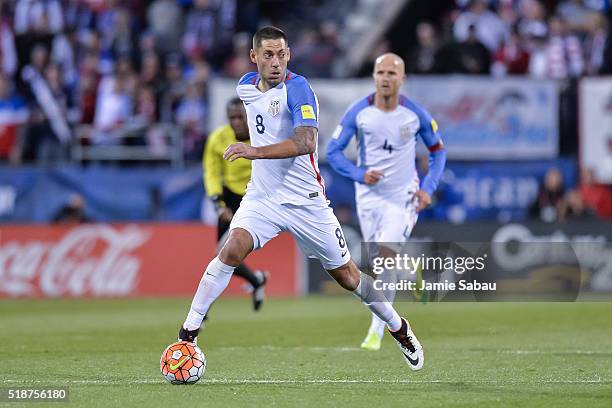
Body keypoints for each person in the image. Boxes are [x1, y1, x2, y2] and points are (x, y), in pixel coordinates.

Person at [178, 26, 424, 371]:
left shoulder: (299, 89)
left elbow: (306, 142)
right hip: (262, 198)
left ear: (289, 55)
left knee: (349, 278)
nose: (276, 62)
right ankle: (187, 335)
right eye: (268, 55)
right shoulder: (245, 87)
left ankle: (400, 329)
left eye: (281, 54)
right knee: (231, 249)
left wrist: (253, 151)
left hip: (306, 201)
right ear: (254, 58)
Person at [326, 53, 447, 351]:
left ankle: (377, 331)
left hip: (402, 197)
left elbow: (438, 152)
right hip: (368, 199)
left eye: (392, 73)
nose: (385, 78)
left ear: (402, 79)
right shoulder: (359, 112)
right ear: (374, 76)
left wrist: (428, 188)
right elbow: (332, 151)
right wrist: (359, 173)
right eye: (380, 72)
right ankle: (410, 271)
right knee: (377, 265)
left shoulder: (415, 115)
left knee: (383, 259)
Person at [203, 97, 268, 312]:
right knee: (221, 255)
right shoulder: (218, 138)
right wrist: (218, 203)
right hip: (230, 198)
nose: (237, 122)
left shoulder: (264, 135)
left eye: (241, 117)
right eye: (232, 118)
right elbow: (212, 172)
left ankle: (201, 316)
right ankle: (256, 281)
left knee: (224, 254)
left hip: (257, 195)